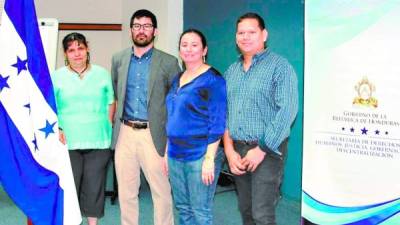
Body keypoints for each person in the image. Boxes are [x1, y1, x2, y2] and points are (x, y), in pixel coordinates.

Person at [223, 12, 298, 225]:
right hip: (238, 150)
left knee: (262, 214)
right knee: (246, 210)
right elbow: (225, 114)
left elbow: (287, 111)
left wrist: (262, 148)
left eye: (252, 32)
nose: (246, 37)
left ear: (264, 34)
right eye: (241, 33)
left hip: (269, 150)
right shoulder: (232, 71)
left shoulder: (280, 67)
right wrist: (229, 151)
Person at [111, 9, 180, 225]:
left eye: (147, 26)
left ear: (155, 31)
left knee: (161, 191)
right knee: (126, 191)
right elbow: (117, 91)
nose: (142, 30)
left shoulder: (169, 62)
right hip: (125, 133)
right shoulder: (118, 59)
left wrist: (170, 141)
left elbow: (176, 102)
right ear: (131, 30)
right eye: (137, 26)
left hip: (154, 134)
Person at [164, 29, 227, 225]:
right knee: (183, 208)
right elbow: (172, 117)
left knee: (200, 210)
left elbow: (218, 122)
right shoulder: (177, 79)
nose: (189, 49)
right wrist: (167, 152)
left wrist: (209, 159)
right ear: (179, 50)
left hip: (200, 155)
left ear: (204, 50)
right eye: (184, 45)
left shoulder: (213, 79)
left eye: (194, 45)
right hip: (175, 154)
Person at [52, 32, 115, 225]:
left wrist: (107, 125)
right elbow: (50, 107)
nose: (77, 53)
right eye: (71, 50)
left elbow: (111, 103)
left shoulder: (102, 74)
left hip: (99, 141)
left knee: (94, 187)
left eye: (80, 48)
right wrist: (58, 129)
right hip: (68, 142)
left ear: (87, 48)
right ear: (65, 54)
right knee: (70, 188)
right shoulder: (56, 77)